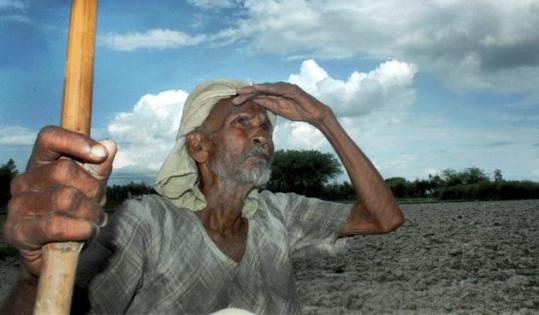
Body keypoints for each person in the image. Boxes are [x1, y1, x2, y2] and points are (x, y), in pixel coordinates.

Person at [2, 80, 404, 314]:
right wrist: (36, 274)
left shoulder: (278, 213)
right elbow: (61, 306)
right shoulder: (145, 223)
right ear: (198, 147)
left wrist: (324, 118)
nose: (261, 133)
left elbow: (383, 218)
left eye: (266, 126)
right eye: (241, 122)